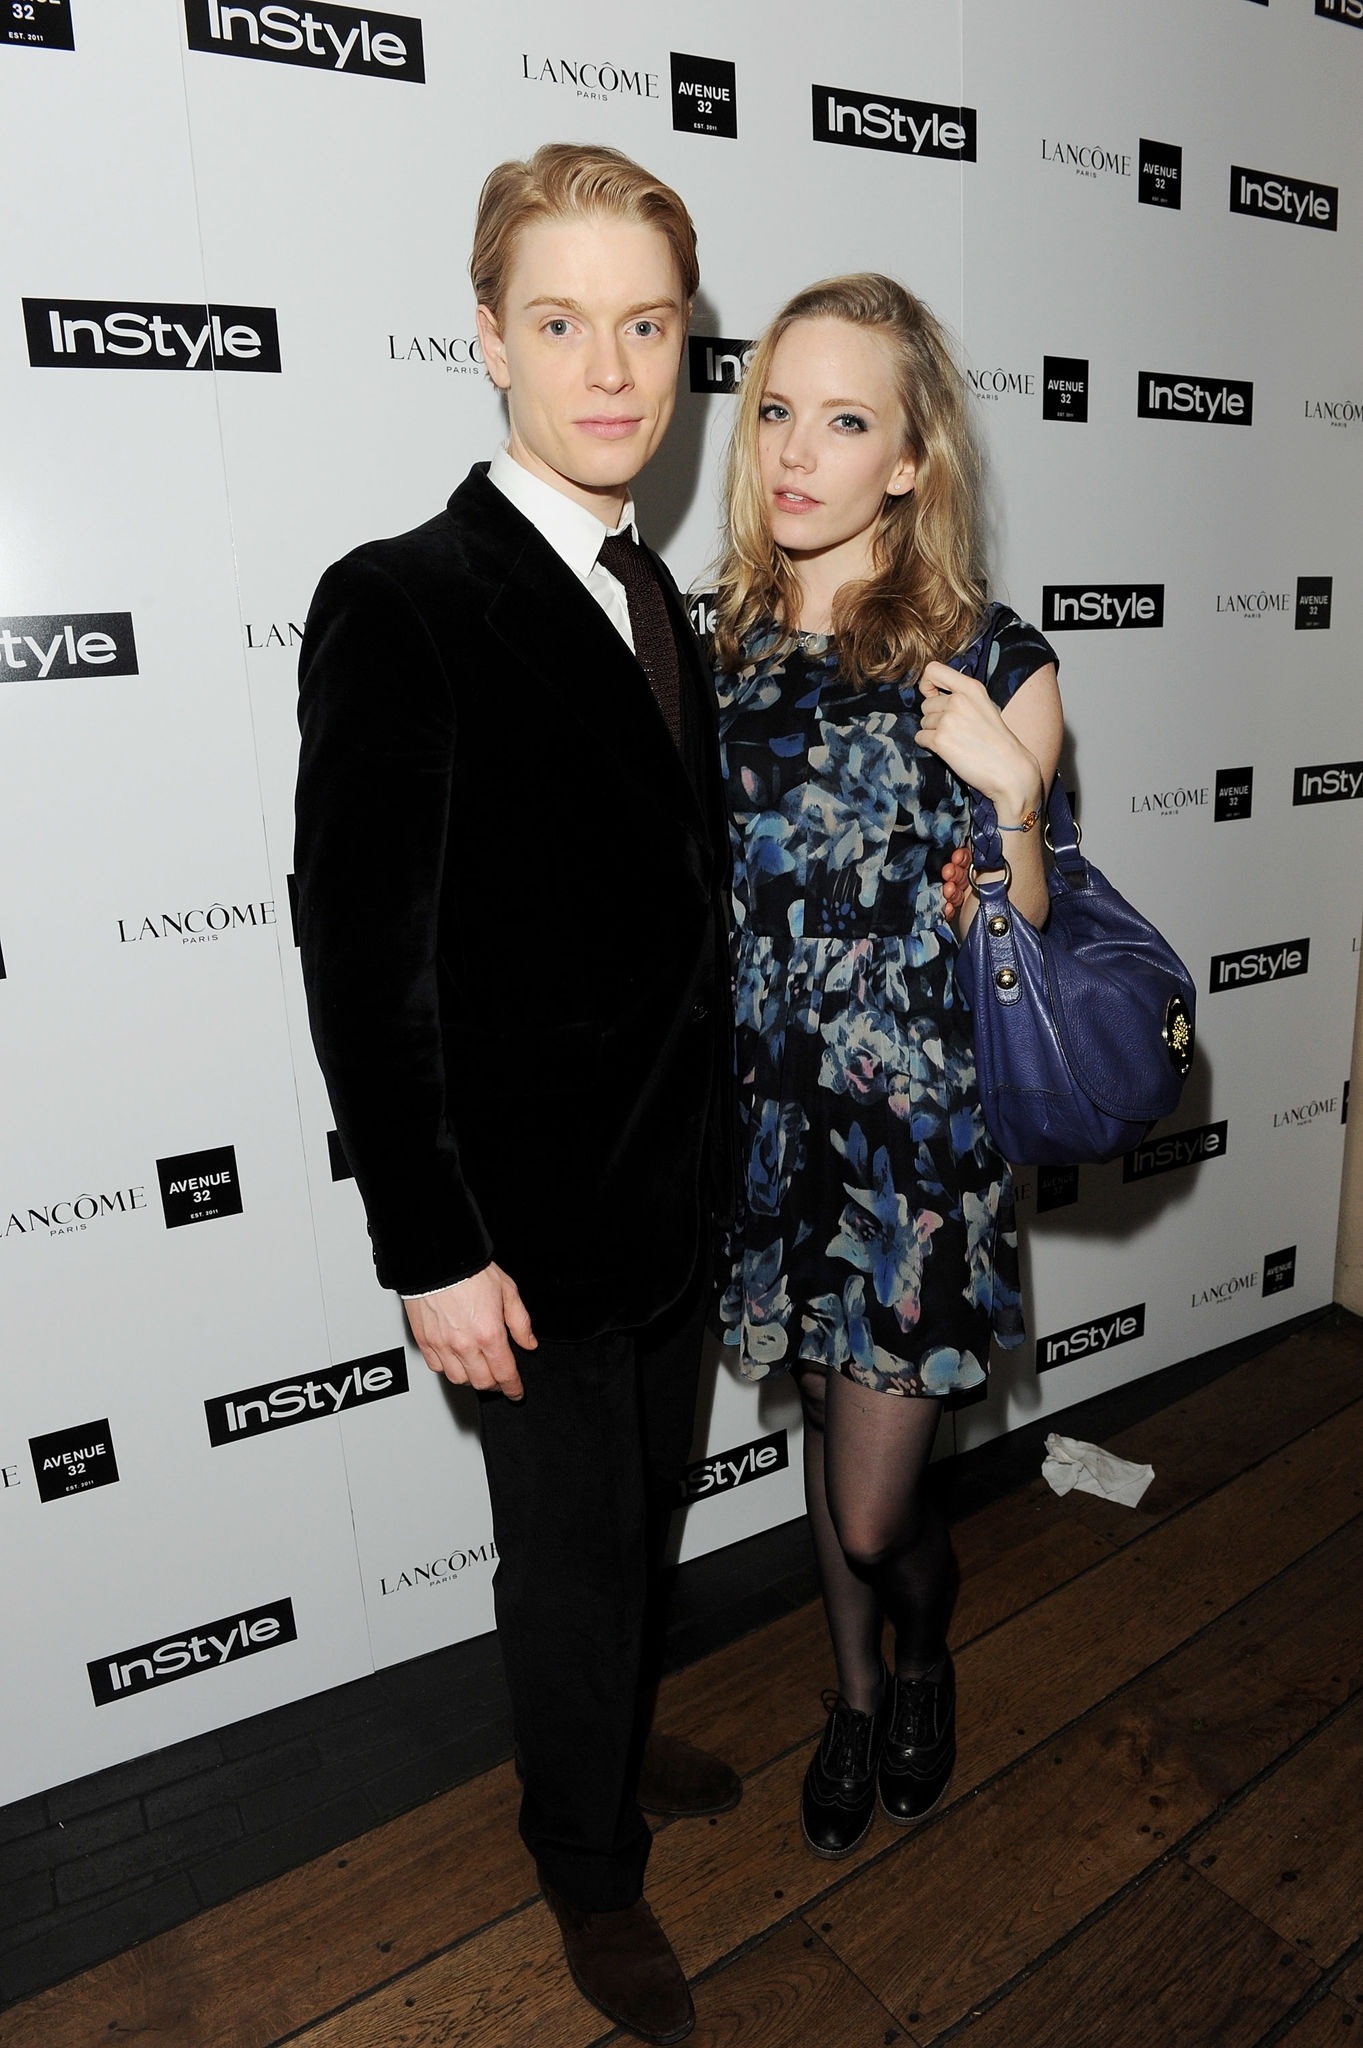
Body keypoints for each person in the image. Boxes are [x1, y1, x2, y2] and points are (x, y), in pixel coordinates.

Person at [294, 145, 741, 2047]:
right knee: (568, 1569)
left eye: (647, 325)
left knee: (637, 1532)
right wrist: (432, 1249)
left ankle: (609, 1746)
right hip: (525, 1240)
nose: (611, 371)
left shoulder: (656, 596)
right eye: (562, 323)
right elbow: (359, 959)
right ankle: (584, 1860)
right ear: (488, 338)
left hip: (674, 1197)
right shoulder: (400, 600)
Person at [709, 273, 1064, 1858]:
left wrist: (1015, 807)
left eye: (846, 422)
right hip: (769, 1124)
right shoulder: (711, 641)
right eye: (778, 412)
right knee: (818, 1415)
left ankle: (923, 1645)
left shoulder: (988, 657)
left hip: (916, 1145)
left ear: (911, 459)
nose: (798, 453)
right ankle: (855, 1695)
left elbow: (1032, 938)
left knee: (874, 1504)